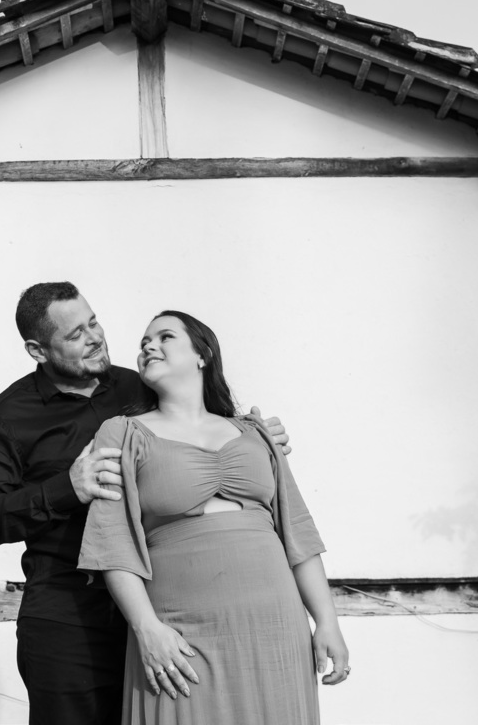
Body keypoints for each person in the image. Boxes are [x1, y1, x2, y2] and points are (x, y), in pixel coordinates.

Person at [0, 283, 290, 725]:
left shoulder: (138, 385)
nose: (94, 338)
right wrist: (66, 488)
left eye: (94, 322)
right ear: (37, 350)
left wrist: (256, 436)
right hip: (70, 623)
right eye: (74, 335)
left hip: (162, 613)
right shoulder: (6, 417)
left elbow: (196, 428)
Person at [78, 310, 349, 725]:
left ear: (202, 354)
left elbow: (298, 535)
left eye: (165, 336)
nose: (148, 346)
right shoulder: (123, 433)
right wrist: (146, 628)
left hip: (275, 625)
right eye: (144, 343)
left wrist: (327, 621)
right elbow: (113, 544)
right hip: (180, 630)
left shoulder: (255, 432)